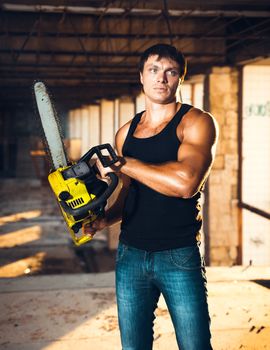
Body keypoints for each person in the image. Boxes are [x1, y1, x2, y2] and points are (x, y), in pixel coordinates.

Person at [85, 43, 218, 350]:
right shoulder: (126, 133)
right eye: (154, 71)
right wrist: (105, 219)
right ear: (141, 77)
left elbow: (187, 183)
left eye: (170, 72)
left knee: (195, 346)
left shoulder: (196, 122)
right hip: (130, 253)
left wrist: (123, 163)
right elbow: (131, 190)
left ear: (180, 78)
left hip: (178, 253)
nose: (161, 78)